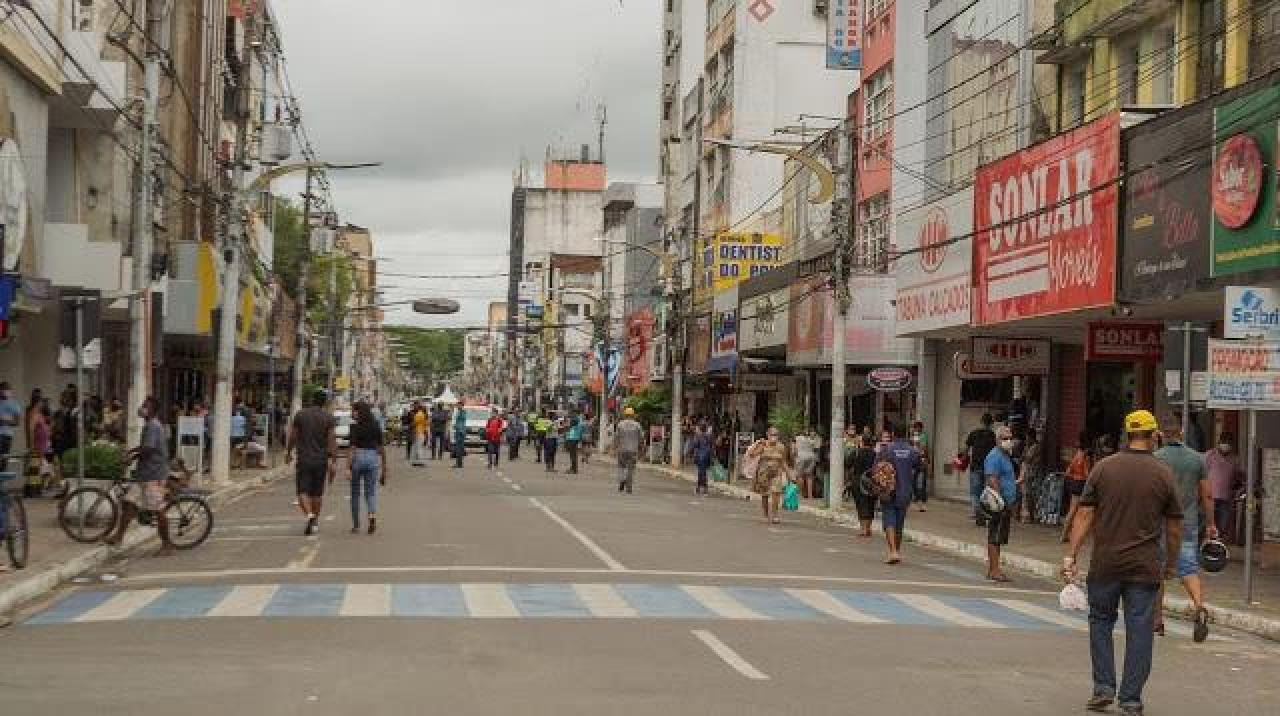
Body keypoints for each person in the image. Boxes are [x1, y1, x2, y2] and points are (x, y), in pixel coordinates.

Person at [1063, 410, 1182, 716]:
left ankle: (1103, 687)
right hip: (1144, 567)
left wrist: (1071, 555)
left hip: (1106, 564)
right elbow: (1174, 527)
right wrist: (1170, 564)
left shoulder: (1104, 468)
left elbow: (1085, 515)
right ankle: (1130, 699)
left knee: (1101, 622)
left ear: (1126, 435)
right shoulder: (1163, 473)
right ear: (1154, 435)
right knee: (1140, 629)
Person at [1154, 417, 1216, 642]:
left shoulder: (1155, 459)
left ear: (1161, 434)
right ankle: (1199, 606)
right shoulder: (1196, 459)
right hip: (1187, 522)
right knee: (1188, 568)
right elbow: (1207, 494)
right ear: (1181, 433)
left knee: (1158, 572)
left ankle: (1157, 621)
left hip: (1159, 522)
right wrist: (1210, 523)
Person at [105, 397, 175, 555]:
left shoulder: (153, 426)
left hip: (154, 475)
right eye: (143, 405)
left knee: (158, 511)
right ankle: (118, 537)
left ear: (152, 410)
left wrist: (132, 456)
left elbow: (148, 449)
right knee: (129, 504)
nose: (142, 408)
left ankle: (167, 544)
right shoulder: (149, 425)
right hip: (144, 474)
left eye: (146, 406)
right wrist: (132, 453)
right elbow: (145, 447)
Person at [286, 389, 337, 536]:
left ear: (312, 399)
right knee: (317, 493)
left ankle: (309, 515)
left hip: (304, 459)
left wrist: (288, 452)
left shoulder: (301, 415)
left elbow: (293, 437)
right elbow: (331, 440)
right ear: (325, 402)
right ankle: (314, 521)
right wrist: (333, 460)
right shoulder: (328, 417)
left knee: (302, 491)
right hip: (320, 460)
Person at [878, 427, 921, 564]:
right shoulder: (912, 451)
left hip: (888, 490)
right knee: (899, 523)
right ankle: (897, 551)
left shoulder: (887, 449)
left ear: (893, 434)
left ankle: (893, 552)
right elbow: (919, 467)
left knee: (889, 520)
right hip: (905, 491)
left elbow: (877, 468)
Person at [983, 425, 1018, 582]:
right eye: (1005, 438)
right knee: (995, 536)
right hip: (999, 503)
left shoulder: (1005, 455)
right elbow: (992, 478)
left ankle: (993, 569)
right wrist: (1000, 499)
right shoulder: (994, 456)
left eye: (1010, 438)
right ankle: (994, 570)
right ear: (997, 440)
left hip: (1005, 502)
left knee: (999, 536)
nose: (1008, 441)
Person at [348, 400, 388, 534]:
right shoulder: (376, 425)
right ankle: (371, 515)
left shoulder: (354, 427)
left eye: (354, 410)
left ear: (359, 412)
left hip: (358, 457)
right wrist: (384, 468)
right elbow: (381, 447)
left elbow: (352, 448)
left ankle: (356, 525)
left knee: (355, 493)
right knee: (370, 492)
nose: (352, 413)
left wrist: (348, 467)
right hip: (372, 457)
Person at [746, 426, 791, 524]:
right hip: (763, 473)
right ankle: (766, 514)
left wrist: (789, 474)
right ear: (768, 435)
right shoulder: (763, 445)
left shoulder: (781, 447)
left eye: (776, 435)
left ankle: (775, 515)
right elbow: (752, 455)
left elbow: (783, 462)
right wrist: (757, 444)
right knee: (765, 494)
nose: (774, 437)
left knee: (776, 493)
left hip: (776, 473)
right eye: (772, 434)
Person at [1203, 433, 1238, 539]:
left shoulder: (1234, 458)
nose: (1226, 445)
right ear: (1219, 442)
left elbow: (1237, 475)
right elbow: (1202, 473)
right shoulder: (1209, 455)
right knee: (1209, 524)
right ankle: (1208, 544)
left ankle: (1219, 545)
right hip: (1210, 497)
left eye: (1228, 443)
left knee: (1223, 525)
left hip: (1225, 497)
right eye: (1224, 442)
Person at [964, 413, 997, 526]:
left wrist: (963, 458)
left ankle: (978, 513)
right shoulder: (993, 436)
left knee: (974, 493)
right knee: (986, 493)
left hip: (976, 467)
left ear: (981, 421)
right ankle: (982, 513)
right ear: (991, 423)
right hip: (988, 469)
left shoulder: (974, 433)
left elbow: (965, 449)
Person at [1061, 434, 1094, 542]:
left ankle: (1065, 533)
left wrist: (1074, 476)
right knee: (1079, 511)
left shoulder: (1076, 456)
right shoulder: (1086, 456)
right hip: (1082, 484)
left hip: (1074, 482)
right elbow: (1087, 473)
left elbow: (1067, 472)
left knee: (1072, 510)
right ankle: (1070, 534)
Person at [614, 407, 644, 493]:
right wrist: (641, 447)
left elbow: (616, 437)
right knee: (631, 469)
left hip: (622, 450)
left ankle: (622, 481)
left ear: (625, 415)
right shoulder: (637, 425)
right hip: (633, 450)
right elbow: (641, 438)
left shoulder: (620, 424)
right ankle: (629, 487)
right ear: (633, 415)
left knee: (621, 467)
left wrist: (615, 447)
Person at [1019, 429, 1044, 523]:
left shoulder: (1035, 447)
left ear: (1030, 437)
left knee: (1029, 494)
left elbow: (1028, 458)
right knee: (1026, 494)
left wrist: (1025, 452)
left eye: (1027, 437)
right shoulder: (1029, 447)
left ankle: (1029, 515)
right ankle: (1028, 515)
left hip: (1032, 473)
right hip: (1027, 472)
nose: (1026, 439)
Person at [793, 429, 818, 499]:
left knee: (800, 476)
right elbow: (816, 449)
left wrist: (794, 458)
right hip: (811, 457)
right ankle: (810, 495)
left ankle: (800, 494)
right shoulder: (812, 440)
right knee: (809, 476)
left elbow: (794, 450)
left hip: (801, 457)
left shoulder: (797, 438)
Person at [910, 421, 929, 511]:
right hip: (914, 461)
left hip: (922, 460)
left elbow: (924, 448)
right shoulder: (913, 437)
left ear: (921, 428)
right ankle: (917, 498)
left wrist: (917, 446)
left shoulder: (923, 436)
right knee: (913, 481)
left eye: (917, 428)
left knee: (921, 482)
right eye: (915, 428)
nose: (916, 429)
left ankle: (922, 501)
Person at [690, 424, 713, 496]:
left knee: (701, 473)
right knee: (703, 473)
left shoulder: (698, 436)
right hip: (707, 457)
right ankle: (701, 488)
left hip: (700, 457)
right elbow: (712, 445)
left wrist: (696, 434)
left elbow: (695, 445)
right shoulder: (709, 436)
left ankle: (702, 488)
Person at [0, 382, 22, 458]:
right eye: (3, 389)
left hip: (6, 435)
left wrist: (4, 421)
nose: (4, 391)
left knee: (4, 458)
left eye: (6, 389)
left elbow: (17, 422)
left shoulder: (14, 404)